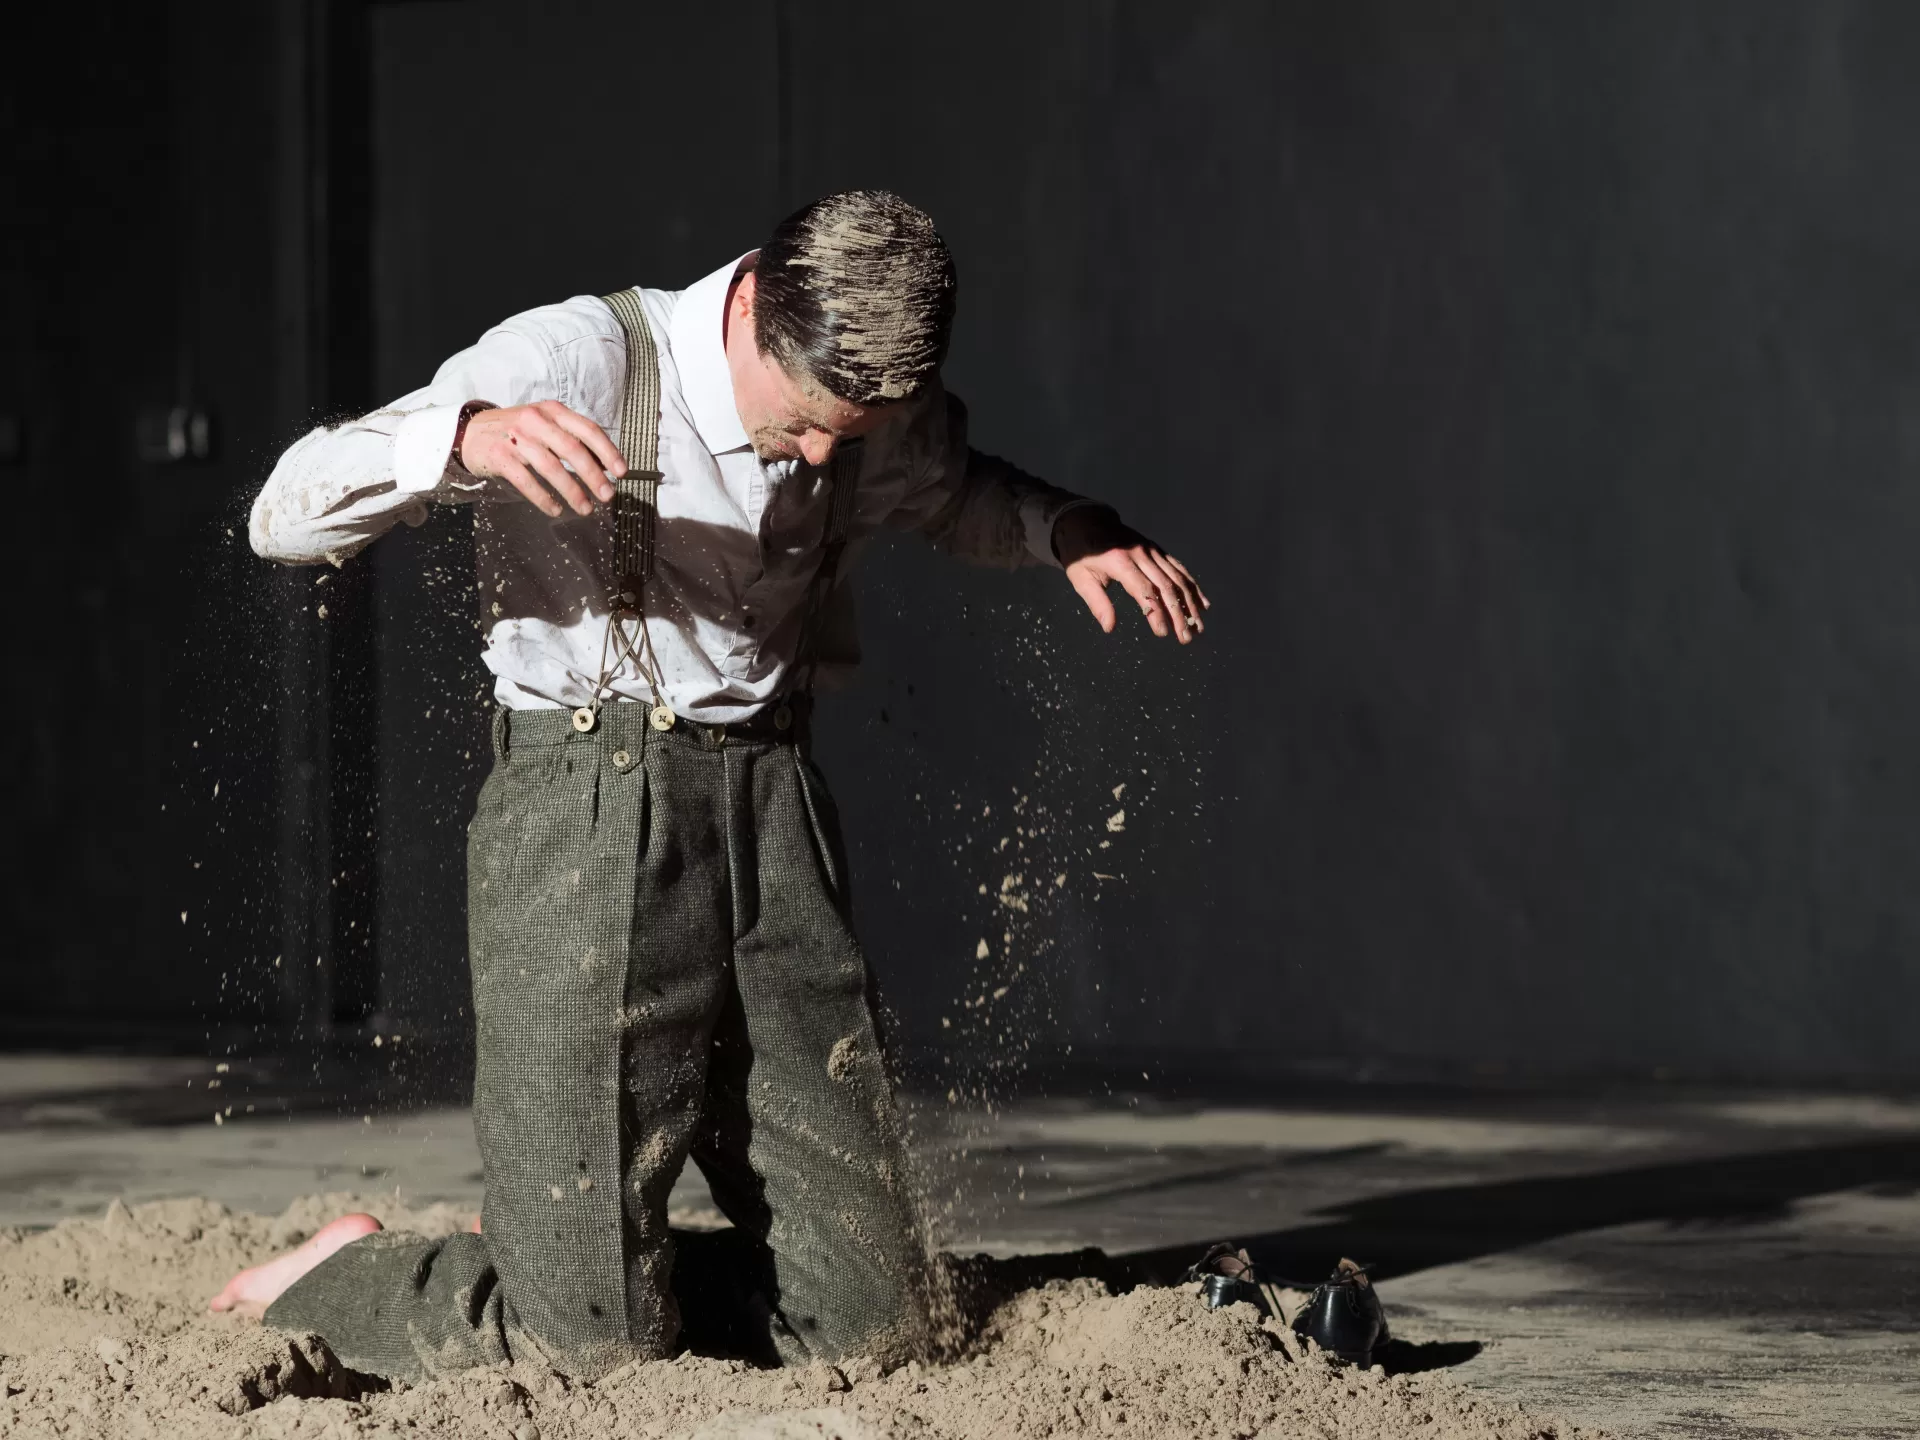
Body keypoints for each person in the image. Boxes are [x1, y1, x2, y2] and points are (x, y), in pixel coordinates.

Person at [213, 190, 1208, 1382]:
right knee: (586, 1354)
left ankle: (568, 1261)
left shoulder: (864, 415)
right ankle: (350, 1276)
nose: (825, 458)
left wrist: (1069, 528)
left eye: (854, 433)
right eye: (806, 422)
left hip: (776, 811)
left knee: (881, 1326)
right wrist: (464, 438)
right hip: (587, 817)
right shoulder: (574, 360)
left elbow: (955, 492)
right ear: (752, 308)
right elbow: (283, 511)